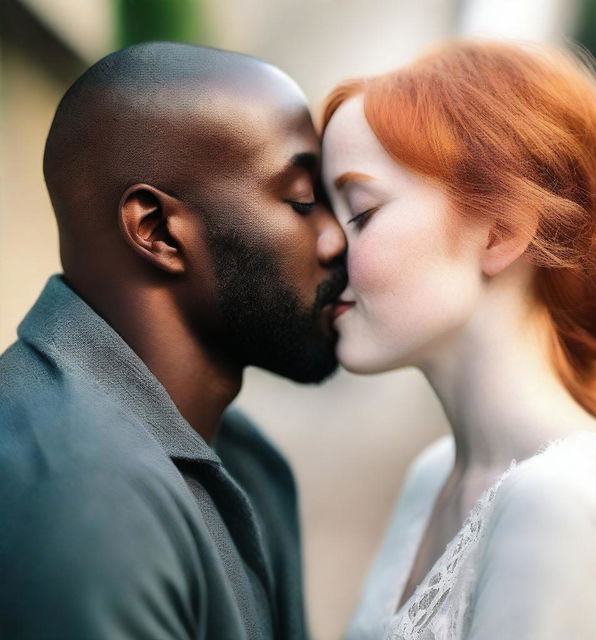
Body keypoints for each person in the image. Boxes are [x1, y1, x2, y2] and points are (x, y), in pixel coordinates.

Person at [0, 42, 347, 639]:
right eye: (304, 202)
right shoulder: (83, 499)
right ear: (157, 231)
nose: (336, 239)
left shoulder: (244, 455)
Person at [322, 40, 596, 639]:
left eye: (360, 212)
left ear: (501, 231)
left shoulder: (562, 500)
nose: (326, 246)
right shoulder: (433, 475)